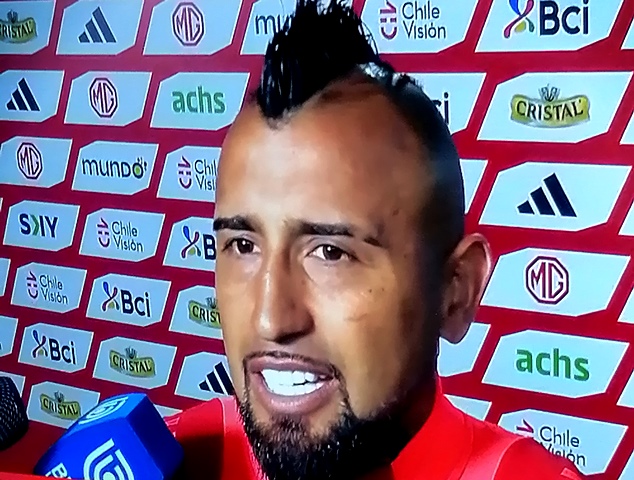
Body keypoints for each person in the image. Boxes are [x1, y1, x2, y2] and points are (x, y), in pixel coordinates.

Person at [166, 1, 584, 479]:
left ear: (456, 290)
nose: (270, 319)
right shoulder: (176, 456)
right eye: (243, 245)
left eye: (330, 253)